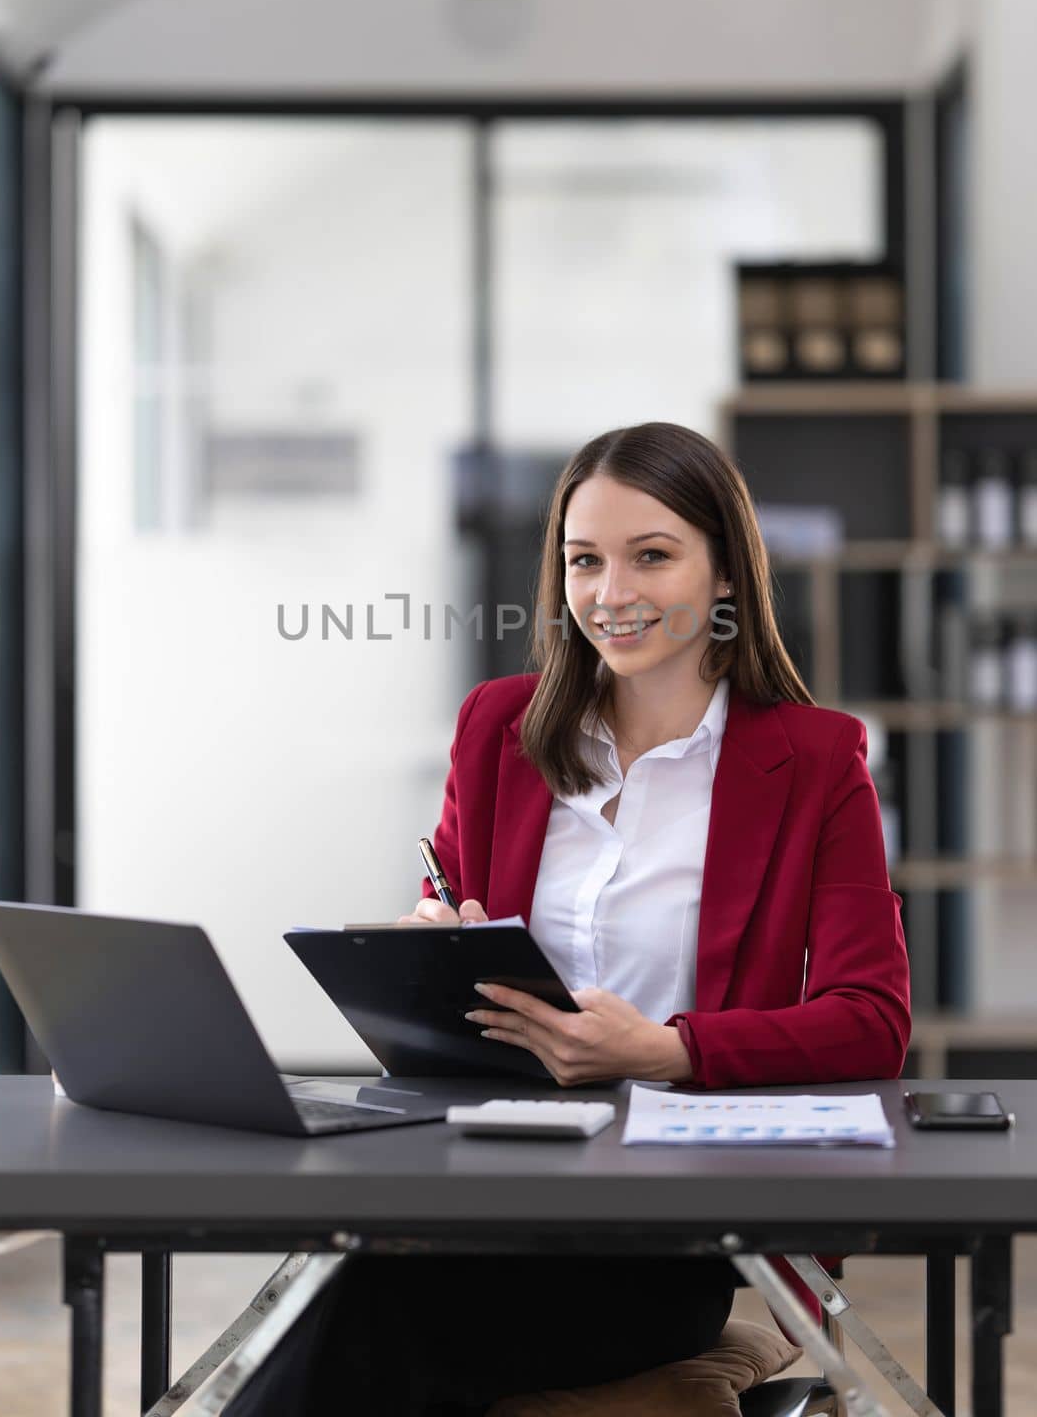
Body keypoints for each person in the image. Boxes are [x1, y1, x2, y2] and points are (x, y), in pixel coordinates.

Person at [229, 420, 911, 1416]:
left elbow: (871, 1019)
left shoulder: (812, 760)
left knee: (362, 1311)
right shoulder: (497, 729)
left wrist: (663, 1049)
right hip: (488, 1183)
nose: (609, 592)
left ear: (724, 574)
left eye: (651, 556)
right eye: (583, 560)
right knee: (361, 1287)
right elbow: (448, 898)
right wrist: (428, 943)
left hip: (674, 1230)